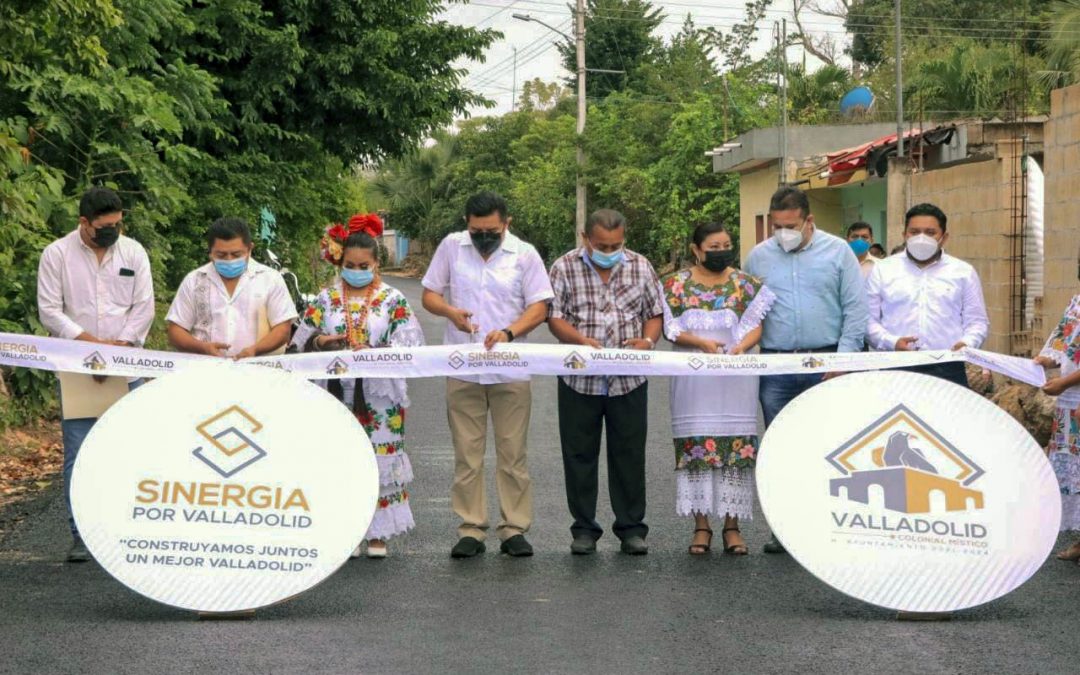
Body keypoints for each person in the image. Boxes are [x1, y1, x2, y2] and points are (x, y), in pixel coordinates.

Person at [421, 191, 553, 559]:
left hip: (510, 367)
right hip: (463, 366)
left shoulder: (524, 254)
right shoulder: (451, 247)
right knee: (467, 454)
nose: (484, 237)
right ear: (466, 224)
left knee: (512, 454)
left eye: (491, 231)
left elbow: (540, 306)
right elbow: (429, 293)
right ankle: (470, 529)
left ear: (506, 224)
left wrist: (510, 332)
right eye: (477, 230)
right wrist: (450, 312)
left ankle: (514, 529)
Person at [744, 186, 867, 554]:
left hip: (827, 362)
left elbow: (855, 311)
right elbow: (749, 313)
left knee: (831, 447)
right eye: (777, 226)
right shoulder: (758, 259)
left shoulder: (839, 253)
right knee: (782, 450)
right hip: (777, 365)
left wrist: (842, 362)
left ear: (809, 221)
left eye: (791, 225)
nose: (784, 232)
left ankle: (829, 527)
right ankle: (785, 528)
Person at [293, 215, 425, 558]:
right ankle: (346, 529)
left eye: (363, 265)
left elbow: (411, 346)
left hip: (379, 397)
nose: (356, 270)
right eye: (350, 265)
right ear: (340, 263)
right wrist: (323, 341)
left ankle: (377, 534)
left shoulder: (392, 299)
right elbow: (301, 342)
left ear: (375, 263)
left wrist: (377, 352)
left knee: (378, 456)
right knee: (340, 458)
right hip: (335, 392)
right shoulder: (324, 299)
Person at [37, 186, 155, 562]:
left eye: (117, 225)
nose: (111, 233)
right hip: (76, 367)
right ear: (84, 223)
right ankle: (81, 534)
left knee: (131, 447)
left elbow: (144, 307)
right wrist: (91, 348)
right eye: (104, 227)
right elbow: (50, 311)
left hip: (126, 364)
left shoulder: (133, 252)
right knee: (79, 451)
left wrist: (117, 349)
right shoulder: (57, 254)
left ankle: (129, 528)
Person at [548, 208, 664, 556]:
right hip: (578, 380)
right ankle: (584, 529)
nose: (609, 252)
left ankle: (631, 529)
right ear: (586, 238)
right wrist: (579, 341)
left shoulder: (641, 266)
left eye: (616, 245)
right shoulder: (563, 267)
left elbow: (654, 313)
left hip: (628, 380)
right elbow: (554, 317)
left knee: (629, 454)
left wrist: (648, 340)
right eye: (602, 245)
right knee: (579, 454)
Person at [660, 223, 775, 555]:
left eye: (726, 244)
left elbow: (757, 327)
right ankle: (701, 526)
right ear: (697, 250)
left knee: (735, 449)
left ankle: (732, 526)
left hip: (735, 378)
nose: (722, 250)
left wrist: (740, 347)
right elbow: (671, 330)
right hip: (693, 380)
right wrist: (699, 342)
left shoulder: (747, 285)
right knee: (696, 446)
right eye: (714, 246)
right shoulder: (673, 286)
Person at [866, 203, 989, 388]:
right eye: (914, 232)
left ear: (944, 237)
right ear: (904, 235)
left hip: (947, 369)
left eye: (930, 233)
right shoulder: (883, 270)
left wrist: (966, 343)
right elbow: (867, 320)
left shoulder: (963, 272)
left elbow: (978, 322)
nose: (921, 238)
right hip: (894, 367)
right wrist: (892, 342)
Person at [166, 217, 297, 359]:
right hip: (205, 371)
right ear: (210, 253)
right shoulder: (194, 281)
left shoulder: (270, 279)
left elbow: (283, 329)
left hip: (257, 372)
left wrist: (255, 350)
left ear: (249, 249)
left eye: (236, 254)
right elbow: (175, 331)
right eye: (221, 255)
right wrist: (203, 347)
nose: (229, 260)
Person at [1035, 249, 1080, 563]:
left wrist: (1063, 382)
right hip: (1070, 406)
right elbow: (1063, 344)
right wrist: (1043, 361)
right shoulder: (1077, 302)